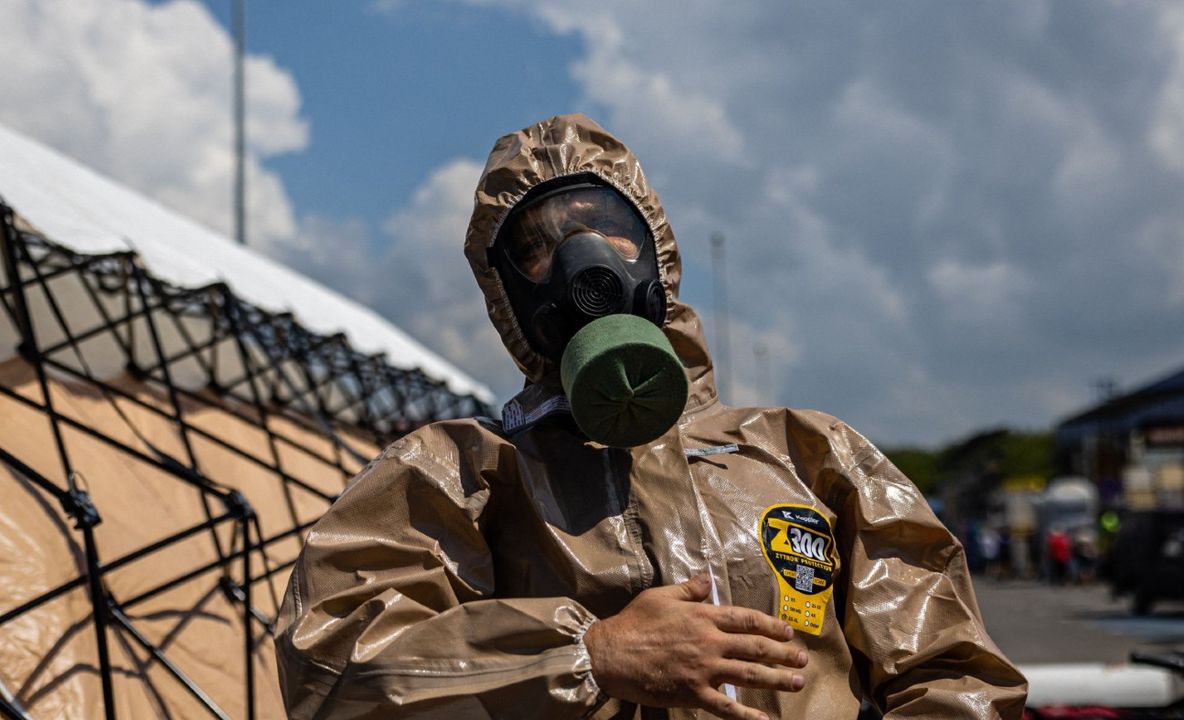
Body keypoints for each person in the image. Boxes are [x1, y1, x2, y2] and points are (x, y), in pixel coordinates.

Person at [275, 114, 1027, 719]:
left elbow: (954, 675)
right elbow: (333, 668)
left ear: (657, 252)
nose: (583, 266)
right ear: (505, 293)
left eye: (607, 226)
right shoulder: (460, 476)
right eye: (536, 248)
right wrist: (590, 655)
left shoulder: (808, 455)